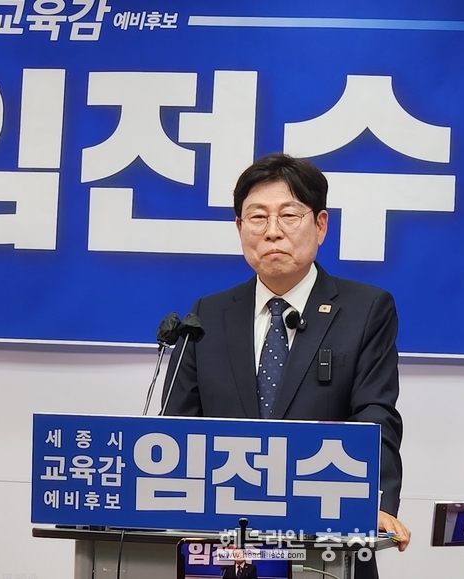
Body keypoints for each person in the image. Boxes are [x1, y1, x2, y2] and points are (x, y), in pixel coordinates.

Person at [163, 153, 411, 577]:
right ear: (240, 228)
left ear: (320, 225)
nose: (272, 231)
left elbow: (376, 413)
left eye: (289, 215)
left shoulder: (366, 309)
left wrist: (374, 502)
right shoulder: (208, 315)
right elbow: (179, 425)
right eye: (257, 217)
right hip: (223, 541)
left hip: (325, 532)